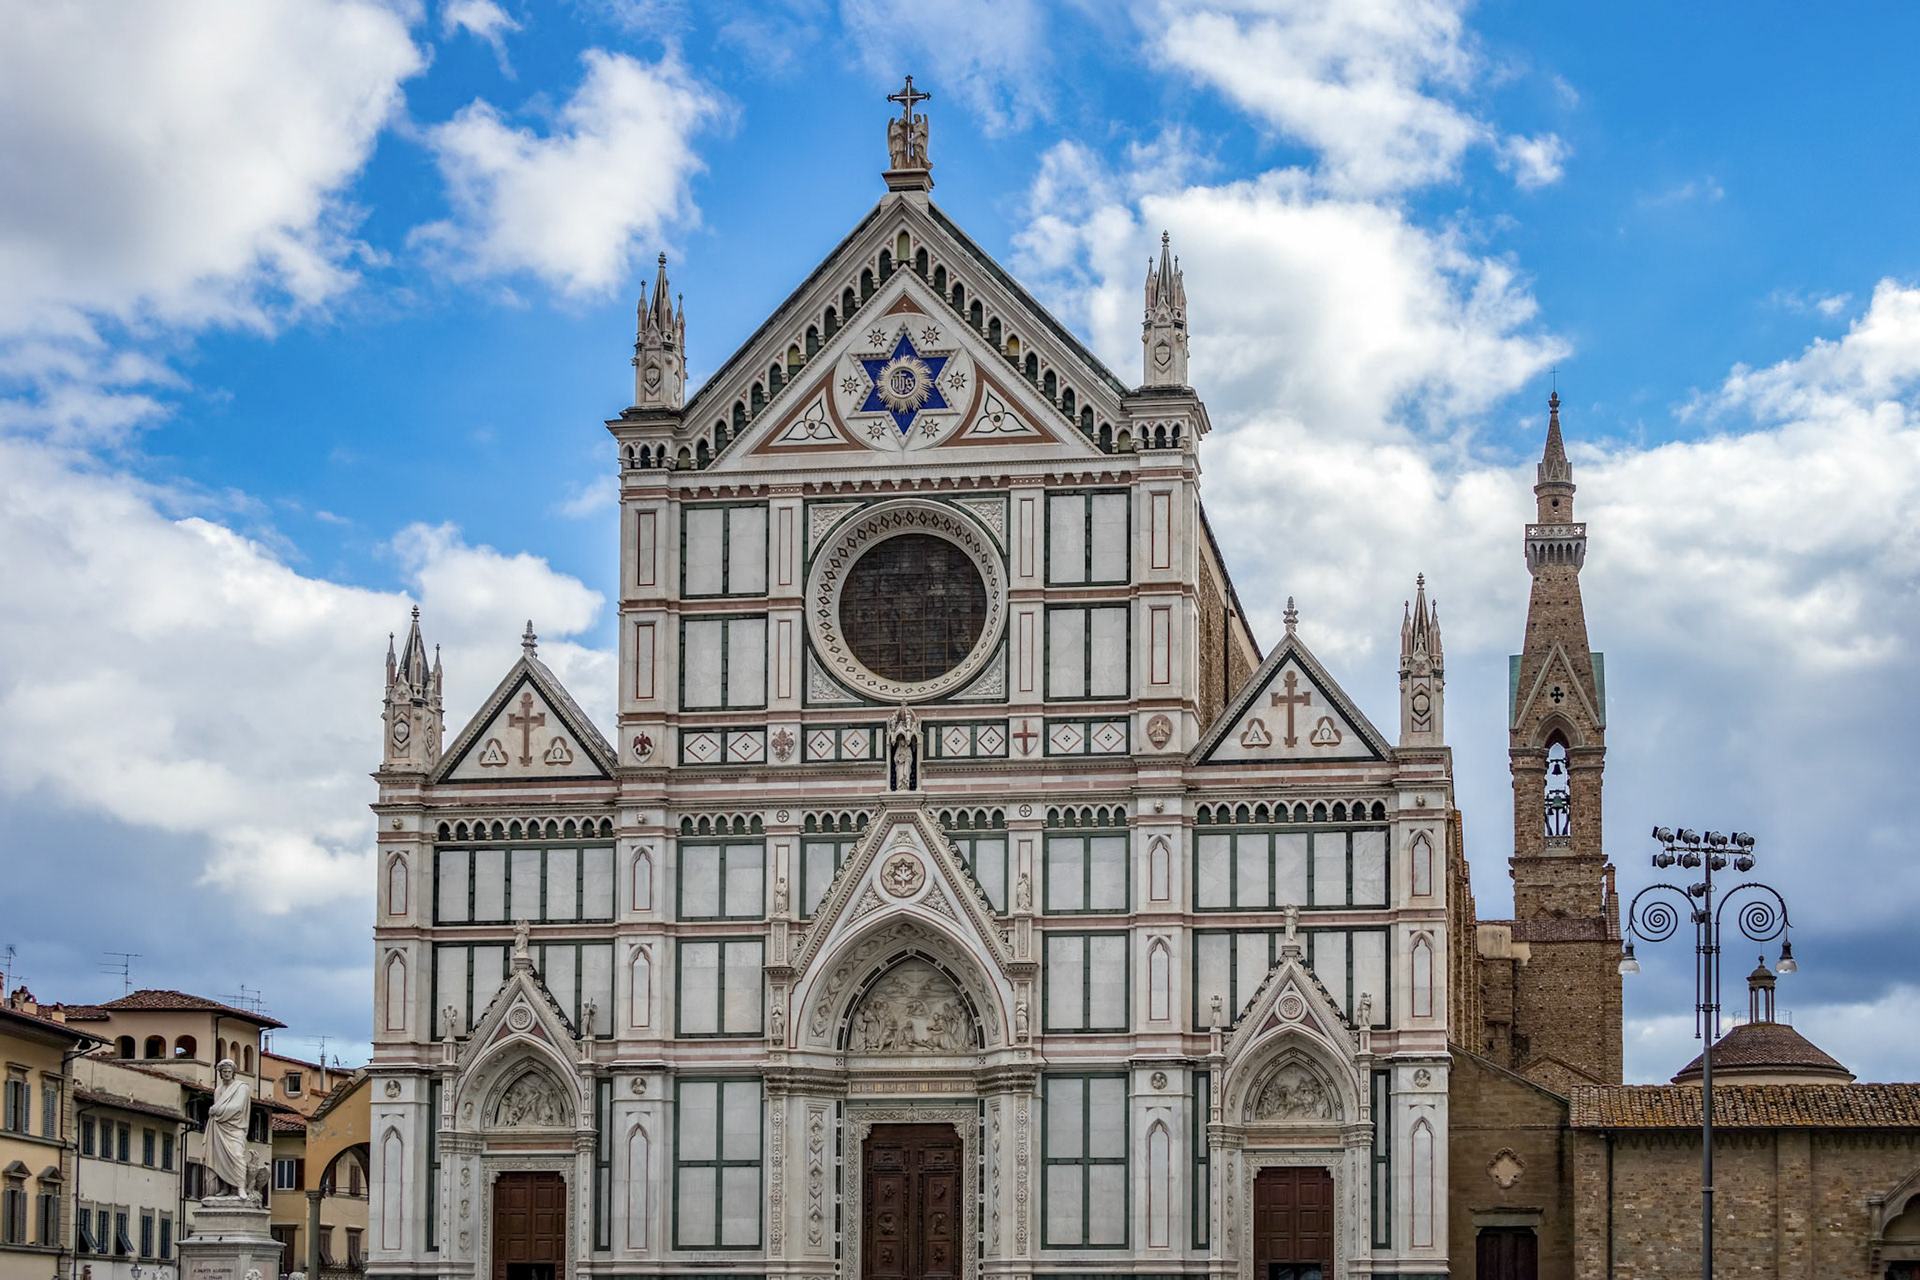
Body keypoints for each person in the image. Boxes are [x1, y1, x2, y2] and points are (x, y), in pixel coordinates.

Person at [205, 1058, 252, 1195]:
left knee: (237, 1155)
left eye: (229, 1071)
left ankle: (241, 1187)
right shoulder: (218, 1090)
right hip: (220, 1128)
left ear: (233, 1073)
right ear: (220, 1073)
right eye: (224, 1071)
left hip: (236, 1128)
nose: (226, 1074)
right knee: (220, 1158)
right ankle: (225, 1188)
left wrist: (216, 1110)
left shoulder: (242, 1087)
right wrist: (216, 1111)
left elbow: (237, 1107)